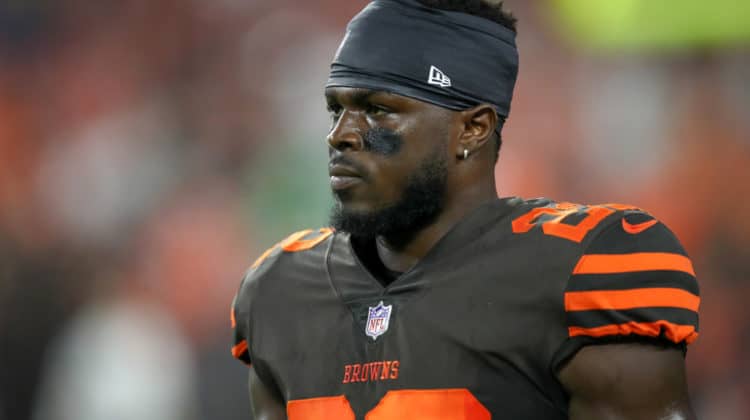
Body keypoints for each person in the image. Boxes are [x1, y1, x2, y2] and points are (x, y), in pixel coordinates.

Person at [230, 0, 700, 418]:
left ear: (473, 129)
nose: (341, 135)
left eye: (378, 109)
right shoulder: (279, 291)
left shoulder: (582, 270)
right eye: (337, 110)